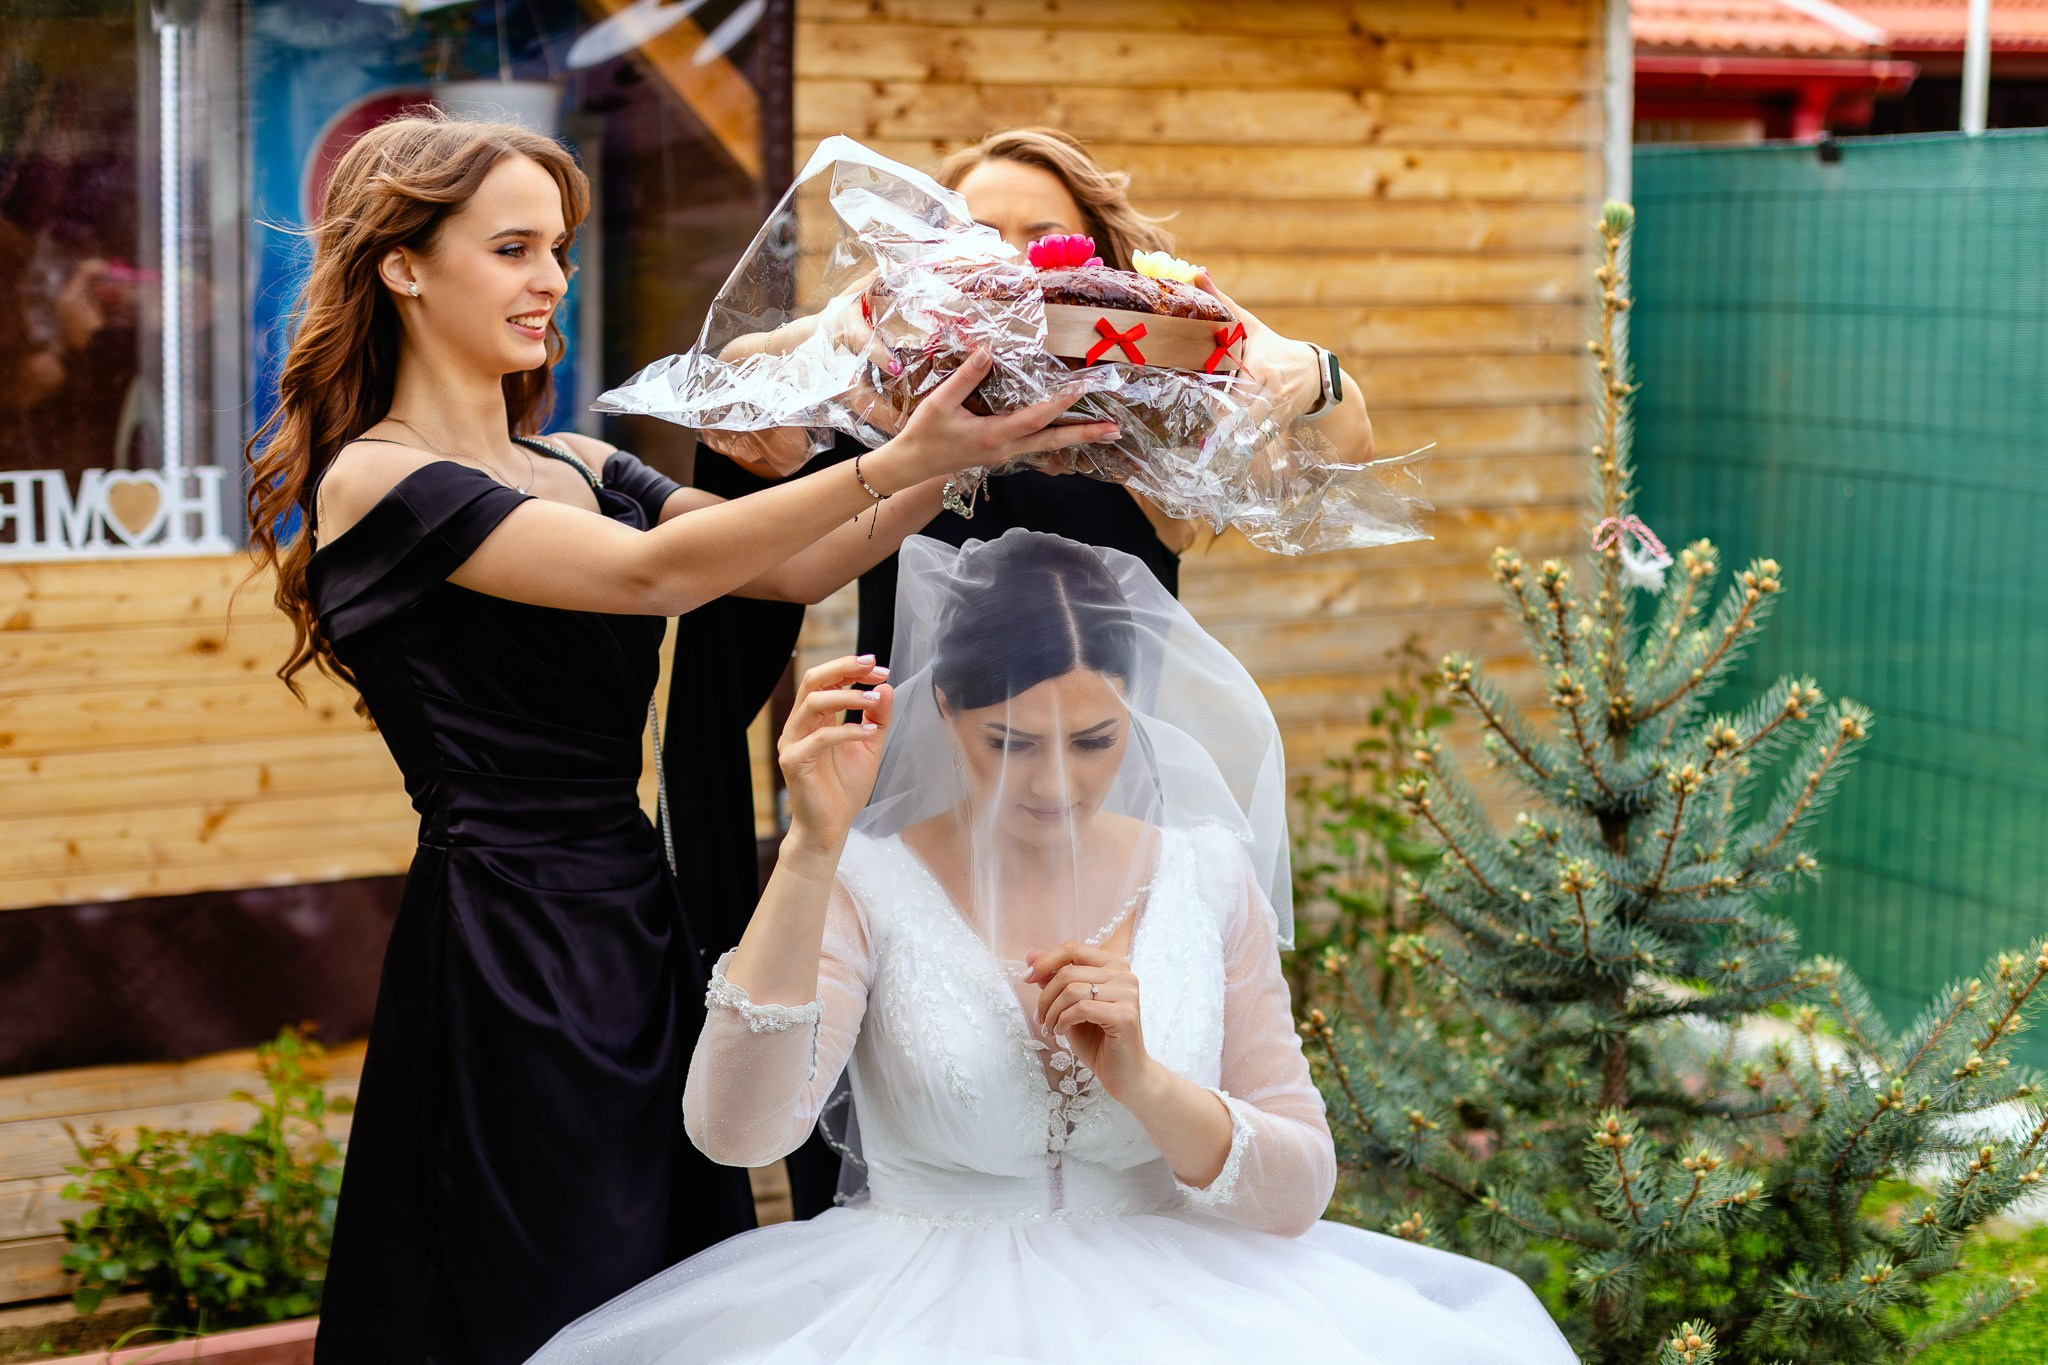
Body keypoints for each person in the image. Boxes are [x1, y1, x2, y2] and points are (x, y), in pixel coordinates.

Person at [243, 113, 1116, 1365]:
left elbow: (797, 561)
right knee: (548, 1278)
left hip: (642, 926)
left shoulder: (584, 462)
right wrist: (913, 453)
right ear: (403, 266)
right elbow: (657, 575)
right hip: (507, 947)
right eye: (512, 247)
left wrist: (974, 446)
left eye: (558, 249)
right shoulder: (373, 481)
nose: (550, 278)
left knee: (675, 1283)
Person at [526, 531, 1576, 1365]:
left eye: (1093, 740)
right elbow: (735, 1131)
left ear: (1136, 717)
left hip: (1203, 1316)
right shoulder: (865, 884)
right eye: (1010, 743)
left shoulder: (1204, 875)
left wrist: (1146, 1082)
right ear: (943, 711)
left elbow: (1300, 1184)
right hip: (911, 1320)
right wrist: (810, 847)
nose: (1056, 782)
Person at [677, 129, 1383, 1218]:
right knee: (891, 1072)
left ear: (1092, 254)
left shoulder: (1150, 396)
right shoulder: (893, 389)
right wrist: (837, 325)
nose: (1006, 256)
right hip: (916, 781)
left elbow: (1336, 449)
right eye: (974, 234)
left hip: (1091, 779)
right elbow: (736, 407)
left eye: (1036, 235)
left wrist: (1310, 371)